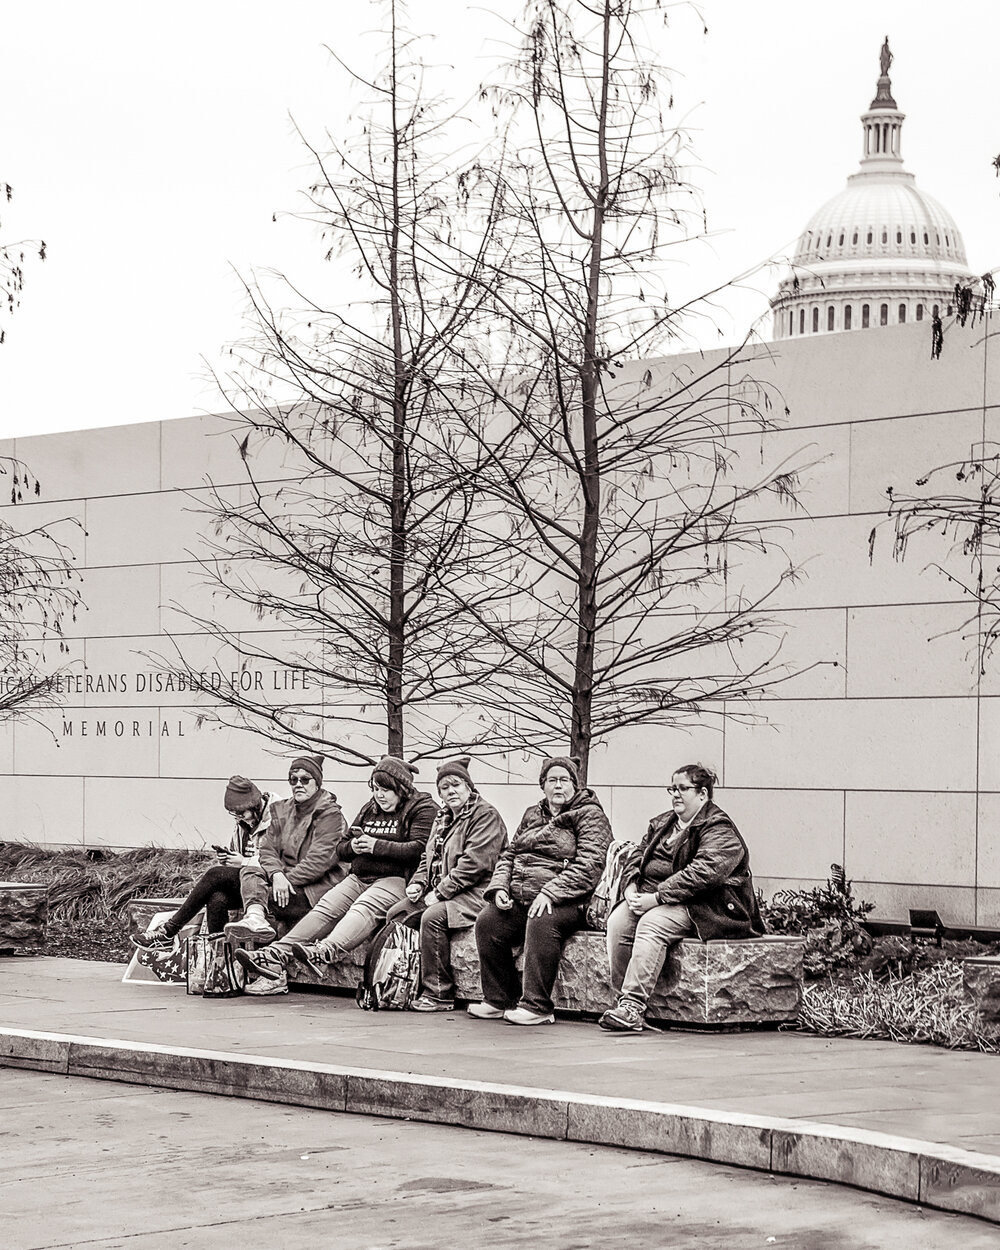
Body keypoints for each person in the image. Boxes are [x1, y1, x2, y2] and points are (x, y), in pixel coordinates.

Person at [234, 755, 436, 982]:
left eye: (386, 790)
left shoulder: (423, 808)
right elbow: (342, 848)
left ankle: (325, 950)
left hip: (396, 879)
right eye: (376, 789)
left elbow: (420, 849)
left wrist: (376, 846)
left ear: (402, 788)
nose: (379, 796)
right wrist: (355, 846)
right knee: (325, 909)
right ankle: (275, 953)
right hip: (359, 875)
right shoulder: (371, 808)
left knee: (362, 908)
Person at [599, 762, 764, 1034]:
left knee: (652, 924)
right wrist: (630, 889)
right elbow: (637, 857)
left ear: (703, 793)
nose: (675, 794)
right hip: (652, 896)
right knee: (618, 921)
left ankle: (632, 1006)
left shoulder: (719, 828)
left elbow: (703, 873)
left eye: (682, 788)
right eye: (672, 788)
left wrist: (657, 897)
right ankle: (622, 1001)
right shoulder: (662, 823)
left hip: (706, 905)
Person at [469, 754, 612, 1026]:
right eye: (552, 780)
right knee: (488, 921)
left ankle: (538, 1005)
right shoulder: (532, 814)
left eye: (564, 780)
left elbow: (590, 865)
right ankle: (499, 999)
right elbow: (510, 854)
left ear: (575, 785)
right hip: (523, 896)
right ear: (542, 785)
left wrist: (550, 892)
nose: (558, 786)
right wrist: (500, 888)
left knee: (542, 919)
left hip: (571, 900)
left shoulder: (591, 815)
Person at [385, 757, 508, 1012]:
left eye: (456, 785)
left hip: (477, 892)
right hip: (444, 890)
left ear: (468, 787)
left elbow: (475, 864)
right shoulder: (443, 817)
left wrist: (439, 893)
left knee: (432, 917)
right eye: (444, 787)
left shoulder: (485, 816)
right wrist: (419, 883)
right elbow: (427, 857)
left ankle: (439, 993)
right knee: (396, 913)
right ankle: (404, 983)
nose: (450, 791)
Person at [132, 775, 274, 949]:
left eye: (242, 814)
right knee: (217, 898)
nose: (239, 818)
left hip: (271, 883)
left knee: (215, 874)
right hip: (247, 882)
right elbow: (240, 857)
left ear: (255, 806)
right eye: (234, 815)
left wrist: (244, 861)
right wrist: (230, 858)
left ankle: (169, 930)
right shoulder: (242, 823)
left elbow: (278, 861)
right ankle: (221, 958)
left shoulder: (278, 819)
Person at [223, 754, 346, 944]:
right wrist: (276, 875)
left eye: (305, 779)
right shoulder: (283, 810)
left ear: (317, 783)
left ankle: (265, 961)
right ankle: (218, 958)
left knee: (232, 890)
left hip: (314, 890)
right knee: (233, 885)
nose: (298, 784)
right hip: (284, 880)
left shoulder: (331, 816)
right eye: (293, 779)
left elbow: (317, 863)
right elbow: (267, 850)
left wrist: (283, 879)